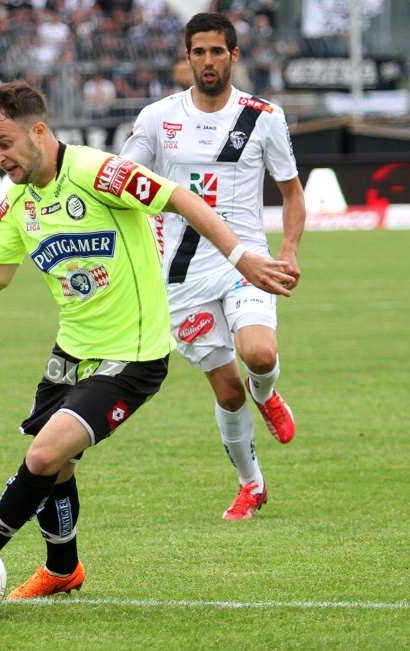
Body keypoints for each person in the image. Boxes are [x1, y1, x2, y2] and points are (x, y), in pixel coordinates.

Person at [0, 81, 292, 598]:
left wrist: (243, 257)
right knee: (55, 464)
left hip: (133, 354)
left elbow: (181, 198)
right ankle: (62, 570)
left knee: (42, 455)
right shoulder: (18, 202)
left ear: (38, 130)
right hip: (72, 351)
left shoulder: (98, 172)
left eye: (4, 143)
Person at [120, 13, 305, 521]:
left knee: (260, 355)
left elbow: (291, 192)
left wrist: (288, 249)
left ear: (234, 56)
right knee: (226, 388)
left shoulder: (264, 115)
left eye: (217, 52)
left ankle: (266, 392)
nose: (207, 61)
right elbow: (123, 176)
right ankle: (252, 484)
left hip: (245, 258)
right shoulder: (158, 117)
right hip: (181, 275)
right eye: (198, 52)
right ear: (186, 56)